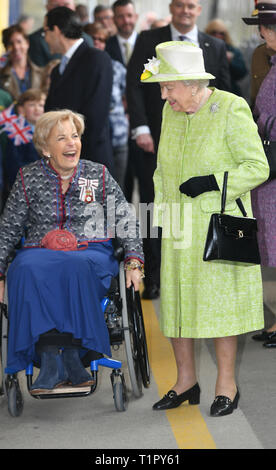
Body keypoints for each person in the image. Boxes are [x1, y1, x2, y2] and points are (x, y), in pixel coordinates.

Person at [141, 41, 269, 416]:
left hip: (217, 225)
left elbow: (256, 167)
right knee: (178, 306)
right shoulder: (171, 112)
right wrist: (159, 220)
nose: (164, 95)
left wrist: (211, 182)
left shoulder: (230, 107)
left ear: (194, 83)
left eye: (169, 87)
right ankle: (185, 382)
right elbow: (162, 170)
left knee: (219, 308)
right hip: (179, 225)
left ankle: (226, 384)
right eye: (162, 88)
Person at [0, 109, 144, 394]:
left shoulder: (96, 174)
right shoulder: (28, 178)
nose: (71, 144)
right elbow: (9, 228)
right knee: (24, 269)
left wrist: (133, 260)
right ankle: (52, 360)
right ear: (45, 148)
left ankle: (73, 357)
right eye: (61, 138)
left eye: (75, 137)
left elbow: (126, 219)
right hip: (39, 251)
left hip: (89, 249)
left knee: (75, 267)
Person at [126, 0, 232, 301]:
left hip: (203, 146)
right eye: (181, 5)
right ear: (171, 8)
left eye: (192, 6)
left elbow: (225, 90)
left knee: (195, 208)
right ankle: (156, 277)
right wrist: (142, 128)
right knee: (153, 207)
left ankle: (197, 273)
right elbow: (133, 86)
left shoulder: (213, 44)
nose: (186, 10)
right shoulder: (149, 40)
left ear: (199, 10)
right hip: (156, 140)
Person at [44, 6, 114, 174]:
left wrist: (71, 156)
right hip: (62, 163)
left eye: (45, 32)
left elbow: (95, 117)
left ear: (56, 30)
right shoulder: (57, 70)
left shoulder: (97, 59)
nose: (45, 39)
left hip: (89, 163)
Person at [243, 1, 276, 347]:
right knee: (269, 245)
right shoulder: (268, 61)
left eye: (265, 27)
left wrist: (261, 126)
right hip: (269, 165)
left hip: (273, 158)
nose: (261, 32)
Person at [84, 22, 129, 192]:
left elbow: (128, 97)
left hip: (118, 137)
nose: (97, 43)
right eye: (93, 38)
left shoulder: (117, 67)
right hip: (92, 139)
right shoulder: (80, 68)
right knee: (89, 193)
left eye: (102, 40)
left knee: (117, 190)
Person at [3, 88, 45, 194]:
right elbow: (13, 164)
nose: (37, 109)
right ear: (21, 109)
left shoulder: (48, 132)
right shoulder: (16, 134)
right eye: (32, 105)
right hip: (25, 187)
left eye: (40, 105)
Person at [28, 0, 93, 67]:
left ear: (74, 7)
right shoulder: (35, 40)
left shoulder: (88, 40)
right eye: (56, 5)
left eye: (66, 4)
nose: (62, 9)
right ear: (47, 7)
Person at [205, 18, 248, 96]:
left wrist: (231, 61)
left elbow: (243, 72)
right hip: (206, 89)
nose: (217, 36)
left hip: (228, 91)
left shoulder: (232, 50)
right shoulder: (202, 48)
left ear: (226, 35)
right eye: (214, 32)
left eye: (221, 33)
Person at [0, 24, 44, 101]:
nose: (16, 47)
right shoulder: (1, 75)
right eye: (11, 43)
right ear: (6, 47)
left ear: (27, 43)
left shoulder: (41, 73)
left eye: (19, 42)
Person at [105, 0, 138, 67]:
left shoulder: (147, 43)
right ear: (113, 19)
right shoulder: (106, 45)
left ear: (136, 17)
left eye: (129, 15)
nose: (126, 21)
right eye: (120, 16)